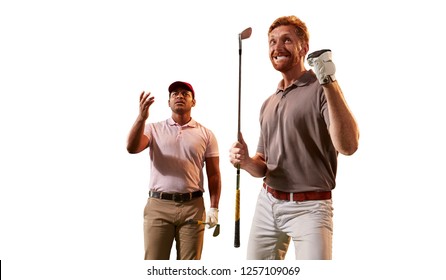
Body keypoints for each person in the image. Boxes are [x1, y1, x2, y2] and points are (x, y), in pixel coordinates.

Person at [229, 15, 359, 260]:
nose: (277, 47)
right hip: (267, 204)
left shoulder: (322, 89)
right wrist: (245, 161)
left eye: (287, 40)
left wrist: (329, 81)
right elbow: (263, 166)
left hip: (310, 209)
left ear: (304, 48)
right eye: (272, 42)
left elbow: (349, 146)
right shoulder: (269, 102)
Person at [127, 81, 221, 260]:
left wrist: (214, 208)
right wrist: (141, 117)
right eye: (174, 94)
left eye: (185, 94)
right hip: (158, 207)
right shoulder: (153, 129)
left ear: (193, 102)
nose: (179, 96)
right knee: (154, 265)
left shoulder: (206, 134)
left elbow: (214, 174)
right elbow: (132, 148)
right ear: (168, 102)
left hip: (193, 207)